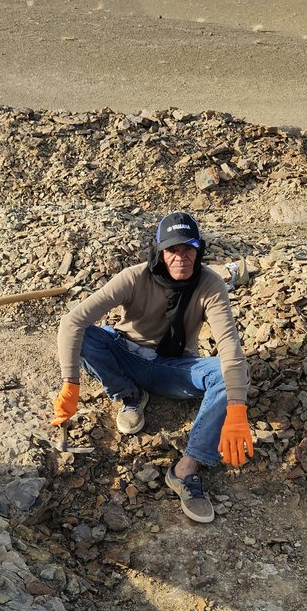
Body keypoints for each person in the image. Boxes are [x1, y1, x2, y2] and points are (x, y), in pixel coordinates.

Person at [50, 211, 254, 524]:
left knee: (228, 374)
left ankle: (187, 468)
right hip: (127, 353)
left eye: (189, 250)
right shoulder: (135, 276)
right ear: (158, 252)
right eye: (172, 250)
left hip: (174, 368)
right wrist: (70, 383)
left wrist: (237, 407)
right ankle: (130, 396)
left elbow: (229, 346)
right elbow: (72, 322)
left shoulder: (211, 284)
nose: (181, 258)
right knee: (88, 336)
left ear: (199, 251)